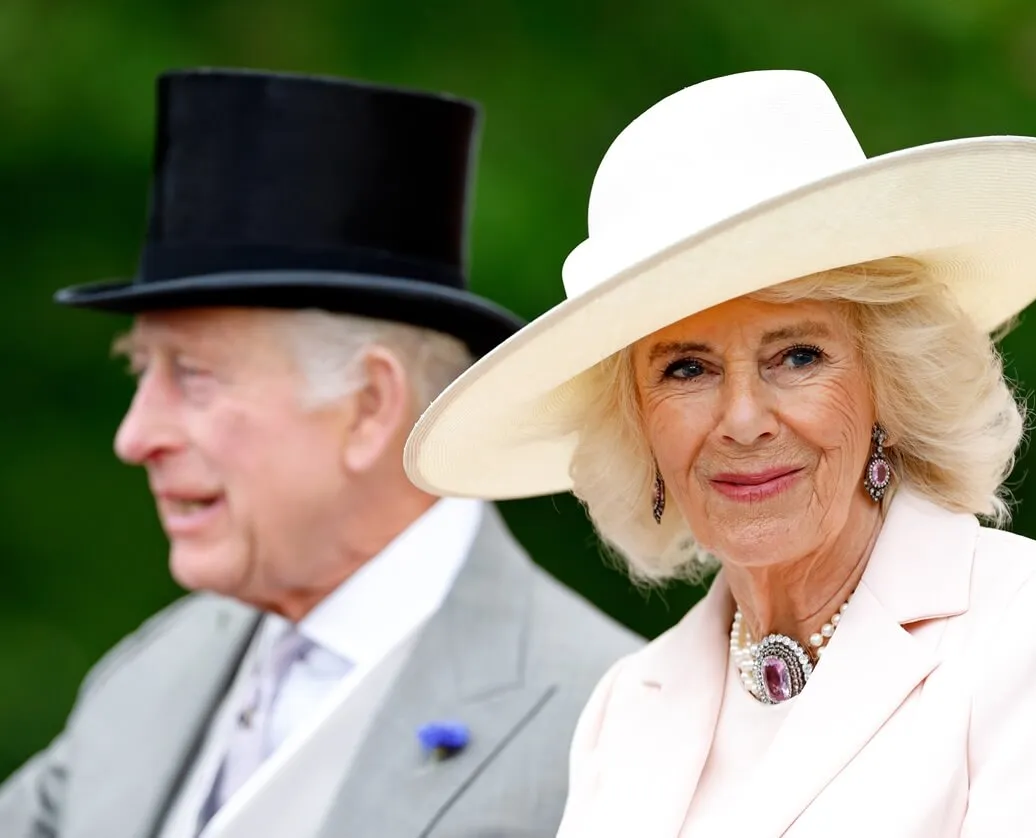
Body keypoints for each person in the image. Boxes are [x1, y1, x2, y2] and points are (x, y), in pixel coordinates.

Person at [403, 70, 1036, 836]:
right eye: (687, 369)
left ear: (890, 382)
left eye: (798, 357)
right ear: (635, 424)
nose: (743, 420)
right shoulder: (627, 707)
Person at [0, 68, 640, 838]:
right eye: (141, 370)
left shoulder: (608, 729)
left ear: (369, 406)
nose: (135, 437)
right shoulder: (149, 672)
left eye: (193, 376)